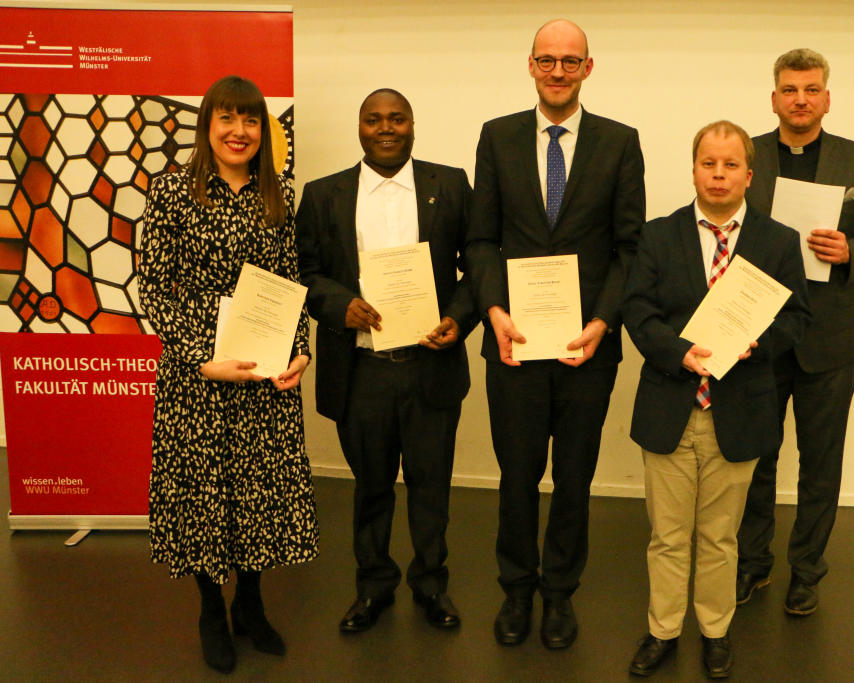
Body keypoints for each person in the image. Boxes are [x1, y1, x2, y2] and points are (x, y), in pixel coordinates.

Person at [467, 19, 645, 649]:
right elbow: (480, 240)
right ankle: (517, 588)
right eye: (548, 60)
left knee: (574, 477)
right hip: (512, 343)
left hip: (586, 348)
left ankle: (560, 593)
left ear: (588, 68)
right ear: (531, 65)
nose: (558, 71)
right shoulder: (497, 136)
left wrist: (603, 322)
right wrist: (493, 310)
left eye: (571, 61)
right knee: (516, 475)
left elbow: (629, 248)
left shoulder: (620, 142)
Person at [140, 75, 319, 674]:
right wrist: (200, 358)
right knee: (203, 493)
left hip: (266, 370)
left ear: (263, 129)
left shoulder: (279, 193)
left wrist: (300, 352)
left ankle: (251, 602)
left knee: (256, 492)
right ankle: (211, 610)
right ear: (207, 125)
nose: (239, 131)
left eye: (250, 120)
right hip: (198, 375)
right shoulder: (172, 191)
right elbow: (153, 288)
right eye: (227, 118)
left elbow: (292, 281)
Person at [623, 121, 810, 679]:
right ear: (694, 170)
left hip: (739, 408)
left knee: (720, 537)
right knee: (667, 536)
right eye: (709, 163)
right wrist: (679, 352)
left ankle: (715, 632)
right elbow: (638, 311)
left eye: (731, 165)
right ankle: (662, 631)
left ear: (749, 175)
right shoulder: (659, 235)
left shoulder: (778, 241)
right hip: (670, 405)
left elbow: (797, 318)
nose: (719, 174)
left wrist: (758, 344)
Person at [295, 89, 475, 634]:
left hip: (430, 365)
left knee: (430, 485)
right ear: (360, 128)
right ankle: (373, 586)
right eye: (374, 119)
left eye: (396, 118)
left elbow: (479, 265)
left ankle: (431, 584)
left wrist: (458, 318)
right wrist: (338, 305)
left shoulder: (452, 185)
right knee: (371, 486)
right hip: (361, 370)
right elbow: (303, 272)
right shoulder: (323, 194)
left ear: (413, 125)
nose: (386, 128)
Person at [736, 48, 854, 616]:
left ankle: (806, 572)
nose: (800, 100)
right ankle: (752, 564)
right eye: (789, 89)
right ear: (774, 98)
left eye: (811, 90)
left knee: (821, 462)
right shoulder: (746, 155)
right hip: (757, 332)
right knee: (754, 457)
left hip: (830, 339)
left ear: (827, 99)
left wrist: (850, 251)